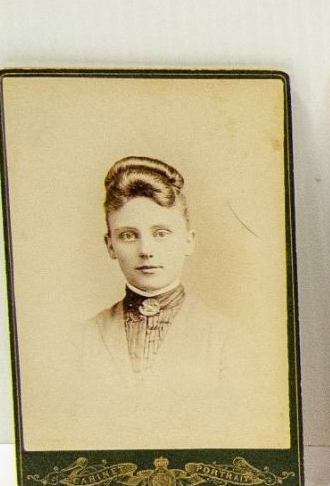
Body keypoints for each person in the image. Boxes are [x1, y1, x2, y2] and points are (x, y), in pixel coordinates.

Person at [80, 156, 234, 391]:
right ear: (110, 246)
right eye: (128, 235)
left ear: (188, 241)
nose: (145, 250)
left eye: (161, 233)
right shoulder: (83, 339)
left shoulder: (225, 337)